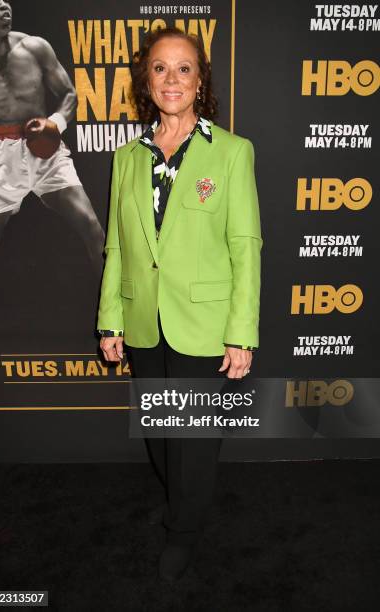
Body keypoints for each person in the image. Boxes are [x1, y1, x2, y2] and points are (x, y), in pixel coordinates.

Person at [97, 26, 263, 581]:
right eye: (161, 68)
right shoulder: (127, 158)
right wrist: (110, 319)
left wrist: (241, 333)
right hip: (144, 320)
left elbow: (246, 247)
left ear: (201, 80)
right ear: (147, 79)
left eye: (184, 68)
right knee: (161, 439)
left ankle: (183, 534)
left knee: (191, 440)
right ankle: (180, 505)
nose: (172, 79)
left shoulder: (233, 152)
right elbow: (117, 246)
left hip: (204, 323)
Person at [0, 0, 105, 323]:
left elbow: (69, 94)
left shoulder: (34, 47)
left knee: (91, 226)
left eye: (6, 0)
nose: (5, 6)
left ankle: (117, 309)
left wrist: (55, 124)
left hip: (46, 151)